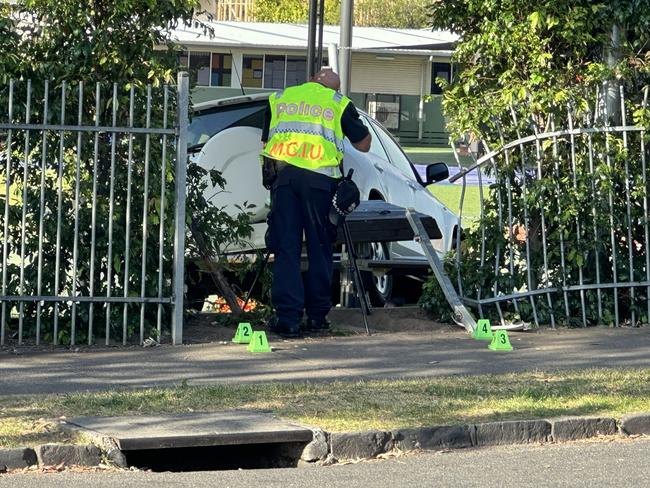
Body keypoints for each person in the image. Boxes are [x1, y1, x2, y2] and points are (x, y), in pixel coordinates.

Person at [260, 68, 371, 338]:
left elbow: (265, 141)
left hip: (284, 178)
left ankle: (288, 319)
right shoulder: (337, 103)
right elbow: (364, 144)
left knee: (287, 247)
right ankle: (317, 317)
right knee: (320, 247)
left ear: (310, 80)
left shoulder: (281, 98)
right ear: (335, 88)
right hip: (320, 182)